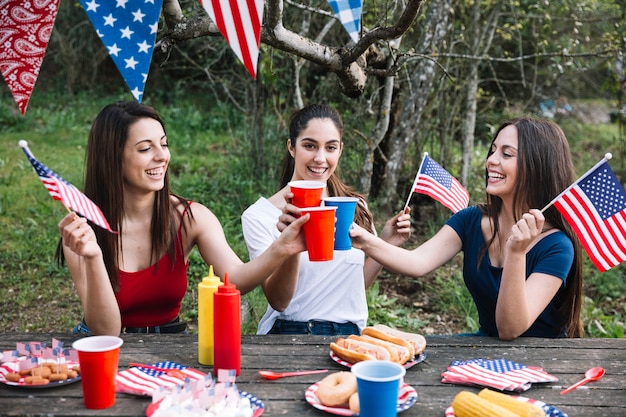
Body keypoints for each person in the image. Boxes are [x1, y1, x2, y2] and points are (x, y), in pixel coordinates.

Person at [56, 101, 308, 336]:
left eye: (163, 144)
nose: (161, 156)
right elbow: (105, 332)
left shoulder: (190, 218)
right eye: (145, 148)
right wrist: (93, 256)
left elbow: (236, 279)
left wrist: (282, 248)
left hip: (171, 344)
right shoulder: (83, 231)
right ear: (112, 157)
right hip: (106, 347)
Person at [350, 117, 584, 339]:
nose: (491, 160)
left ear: (537, 166)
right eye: (492, 151)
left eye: (507, 154)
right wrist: (365, 239)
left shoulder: (557, 246)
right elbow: (417, 262)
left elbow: (510, 329)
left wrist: (516, 252)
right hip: (483, 348)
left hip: (542, 360)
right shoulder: (470, 220)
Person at [241, 104, 411, 335]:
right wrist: (291, 246)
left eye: (330, 147)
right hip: (290, 332)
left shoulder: (354, 207)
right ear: (292, 147)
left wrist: (385, 243)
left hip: (350, 335)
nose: (320, 158)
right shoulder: (260, 215)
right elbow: (278, 302)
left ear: (340, 150)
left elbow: (352, 287)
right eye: (309, 146)